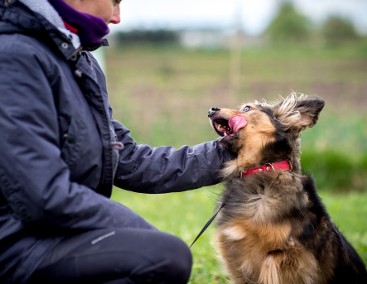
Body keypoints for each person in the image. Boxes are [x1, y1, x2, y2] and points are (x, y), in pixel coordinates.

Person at [0, 0, 230, 283]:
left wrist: (231, 152)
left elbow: (129, 159)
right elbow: (43, 195)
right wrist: (140, 230)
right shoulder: (14, 57)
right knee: (160, 256)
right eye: (115, 1)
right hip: (14, 245)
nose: (118, 17)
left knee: (160, 252)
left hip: (52, 237)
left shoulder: (79, 61)